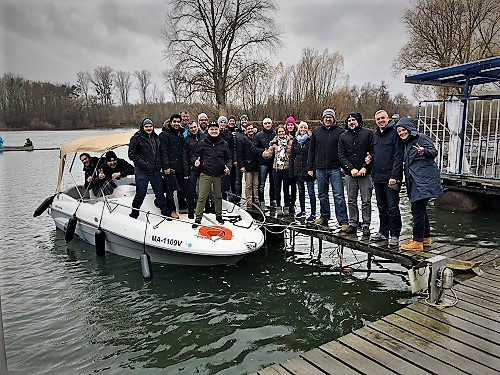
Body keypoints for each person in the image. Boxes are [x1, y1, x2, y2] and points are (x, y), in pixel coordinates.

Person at [396, 117, 443, 251]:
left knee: (417, 210)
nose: (401, 133)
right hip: (415, 180)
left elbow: (434, 152)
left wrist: (424, 151)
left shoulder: (421, 138)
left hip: (423, 181)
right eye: (399, 131)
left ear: (409, 129)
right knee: (421, 210)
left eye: (403, 130)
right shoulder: (406, 143)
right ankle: (426, 238)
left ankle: (417, 241)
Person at [307, 108, 348, 230]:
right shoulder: (316, 132)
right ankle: (325, 217)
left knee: (338, 195)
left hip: (335, 168)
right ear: (323, 119)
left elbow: (344, 150)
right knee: (322, 195)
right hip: (320, 169)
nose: (328, 119)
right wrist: (310, 167)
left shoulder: (341, 132)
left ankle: (343, 220)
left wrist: (344, 166)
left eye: (330, 117)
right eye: (326, 117)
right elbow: (311, 151)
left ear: (334, 119)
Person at [369, 109, 404, 246]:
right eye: (378, 119)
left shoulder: (395, 132)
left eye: (383, 118)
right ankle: (383, 232)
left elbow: (398, 156)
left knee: (393, 207)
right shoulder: (376, 135)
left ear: (388, 118)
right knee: (381, 206)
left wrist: (394, 176)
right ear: (375, 121)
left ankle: (395, 234)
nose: (380, 121)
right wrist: (369, 158)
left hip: (391, 177)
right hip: (378, 176)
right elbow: (374, 153)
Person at [338, 112, 373, 236]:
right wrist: (351, 168)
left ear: (358, 121)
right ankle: (353, 222)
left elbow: (372, 152)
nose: (351, 122)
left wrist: (365, 167)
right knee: (351, 200)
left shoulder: (368, 134)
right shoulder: (343, 136)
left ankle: (366, 224)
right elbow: (341, 156)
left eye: (353, 120)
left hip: (365, 173)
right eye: (349, 120)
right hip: (350, 173)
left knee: (366, 200)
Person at [192, 121, 232, 227]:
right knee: (202, 197)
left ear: (219, 130)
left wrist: (229, 166)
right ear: (208, 131)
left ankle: (219, 215)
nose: (214, 131)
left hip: (219, 175)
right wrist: (196, 161)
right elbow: (195, 155)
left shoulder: (224, 143)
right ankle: (198, 218)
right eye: (212, 129)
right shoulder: (203, 142)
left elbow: (229, 158)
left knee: (218, 196)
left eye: (216, 129)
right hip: (206, 173)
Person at [128, 118, 169, 218]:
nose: (148, 128)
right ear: (142, 127)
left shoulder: (156, 138)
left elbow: (161, 153)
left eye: (150, 126)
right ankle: (134, 212)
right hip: (142, 171)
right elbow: (132, 155)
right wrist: (145, 165)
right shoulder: (136, 138)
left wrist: (163, 166)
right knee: (140, 193)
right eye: (146, 127)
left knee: (159, 192)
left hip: (155, 171)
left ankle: (165, 211)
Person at [159, 114, 188, 218]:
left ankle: (182, 207)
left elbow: (184, 152)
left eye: (178, 122)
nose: (176, 124)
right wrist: (166, 167)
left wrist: (185, 168)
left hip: (180, 166)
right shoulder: (164, 135)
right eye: (174, 121)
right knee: (170, 190)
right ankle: (171, 210)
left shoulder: (181, 134)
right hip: (170, 167)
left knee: (181, 189)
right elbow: (163, 152)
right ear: (170, 122)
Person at [289, 121, 316, 222]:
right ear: (298, 129)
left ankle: (313, 213)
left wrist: (312, 169)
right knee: (301, 191)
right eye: (301, 128)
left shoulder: (310, 140)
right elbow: (292, 157)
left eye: (305, 128)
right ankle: (303, 211)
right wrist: (291, 172)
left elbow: (313, 156)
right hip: (298, 170)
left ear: (307, 129)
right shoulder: (295, 141)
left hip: (308, 170)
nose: (303, 129)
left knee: (311, 192)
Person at [251, 117, 277, 209]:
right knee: (261, 184)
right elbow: (253, 148)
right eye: (265, 123)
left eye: (269, 123)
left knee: (273, 183)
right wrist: (262, 152)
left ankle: (273, 201)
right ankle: (261, 201)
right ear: (263, 125)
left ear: (271, 124)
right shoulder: (258, 135)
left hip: (273, 162)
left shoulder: (275, 134)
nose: (267, 125)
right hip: (263, 163)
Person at [183, 120, 206, 219]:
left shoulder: (205, 137)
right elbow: (185, 156)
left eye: (195, 127)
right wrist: (186, 170)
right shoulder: (187, 140)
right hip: (192, 167)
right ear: (188, 129)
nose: (193, 129)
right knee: (190, 190)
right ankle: (191, 209)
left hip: (204, 167)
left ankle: (204, 207)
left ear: (198, 126)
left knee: (204, 189)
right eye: (191, 128)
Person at [269, 125, 293, 215]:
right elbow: (269, 153)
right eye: (279, 132)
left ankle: (286, 206)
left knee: (286, 189)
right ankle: (278, 207)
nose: (281, 133)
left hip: (286, 168)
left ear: (285, 132)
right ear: (277, 133)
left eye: (282, 131)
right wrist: (264, 153)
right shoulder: (274, 143)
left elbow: (293, 154)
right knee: (277, 189)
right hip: (277, 169)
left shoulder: (290, 142)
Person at [237, 123, 259, 208]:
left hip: (256, 165)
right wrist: (241, 165)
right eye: (248, 129)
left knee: (256, 184)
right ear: (246, 130)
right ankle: (249, 201)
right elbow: (239, 153)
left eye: (251, 128)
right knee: (248, 185)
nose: (250, 130)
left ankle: (256, 199)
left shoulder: (257, 139)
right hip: (247, 165)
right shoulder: (243, 140)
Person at [285, 116, 298, 215]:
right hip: (285, 165)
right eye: (288, 125)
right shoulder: (282, 135)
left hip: (295, 165)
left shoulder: (298, 136)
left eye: (291, 125)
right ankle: (286, 203)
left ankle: (292, 204)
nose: (290, 126)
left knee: (294, 186)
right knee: (285, 186)